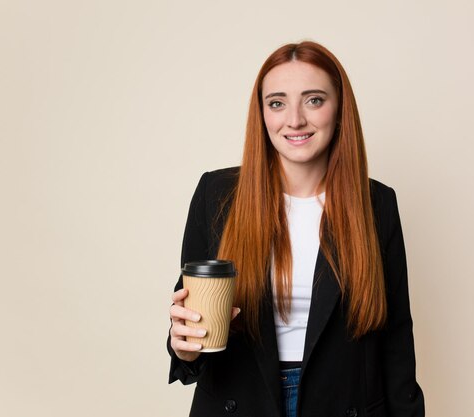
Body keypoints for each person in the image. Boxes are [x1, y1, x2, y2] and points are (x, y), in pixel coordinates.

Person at [168, 41, 425, 417]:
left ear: (339, 110)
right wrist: (184, 347)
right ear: (262, 115)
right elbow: (190, 316)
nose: (294, 120)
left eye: (314, 100)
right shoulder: (216, 194)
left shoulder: (377, 204)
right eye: (277, 103)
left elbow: (396, 337)